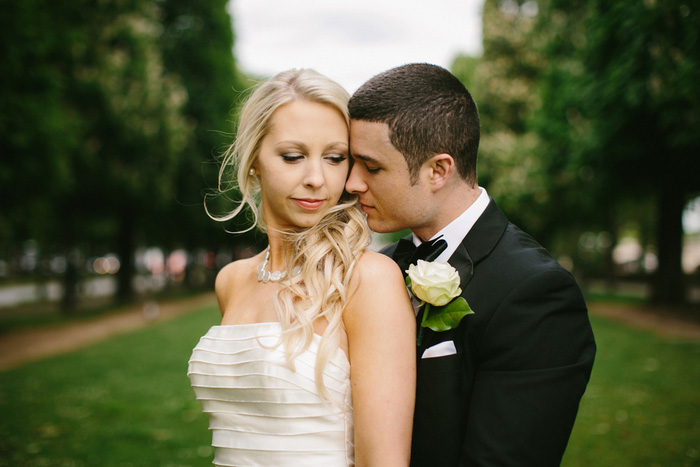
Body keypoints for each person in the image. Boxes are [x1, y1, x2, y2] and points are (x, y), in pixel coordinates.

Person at [346, 63, 596, 466]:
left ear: (438, 171)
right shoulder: (378, 270)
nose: (352, 183)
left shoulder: (536, 293)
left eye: (372, 167)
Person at [188, 69, 416, 467]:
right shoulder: (231, 281)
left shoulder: (368, 280)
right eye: (293, 156)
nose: (316, 179)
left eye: (334, 158)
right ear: (254, 160)